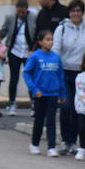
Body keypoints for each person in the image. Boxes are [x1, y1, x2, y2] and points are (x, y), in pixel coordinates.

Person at [52, 0, 85, 155]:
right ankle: (66, 140)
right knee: (66, 107)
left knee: (79, 109)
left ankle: (74, 141)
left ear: (83, 13)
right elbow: (56, 50)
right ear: (69, 13)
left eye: (78, 11)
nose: (76, 14)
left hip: (83, 75)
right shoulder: (62, 29)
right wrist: (55, 72)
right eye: (73, 11)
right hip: (65, 72)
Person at [23, 28, 64, 156]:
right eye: (47, 40)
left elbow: (60, 76)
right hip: (40, 94)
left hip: (53, 94)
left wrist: (62, 93)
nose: (50, 42)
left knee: (51, 120)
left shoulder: (56, 57)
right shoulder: (35, 56)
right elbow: (26, 73)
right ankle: (34, 143)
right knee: (39, 120)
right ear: (40, 42)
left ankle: (51, 147)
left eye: (52, 40)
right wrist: (34, 89)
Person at [1, 0, 37, 116]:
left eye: (23, 11)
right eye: (19, 11)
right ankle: (12, 103)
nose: (21, 14)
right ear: (16, 9)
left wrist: (34, 49)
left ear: (27, 9)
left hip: (28, 52)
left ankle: (33, 104)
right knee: (14, 78)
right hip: (15, 51)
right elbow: (4, 31)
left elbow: (36, 33)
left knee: (30, 78)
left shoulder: (33, 17)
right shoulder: (10, 18)